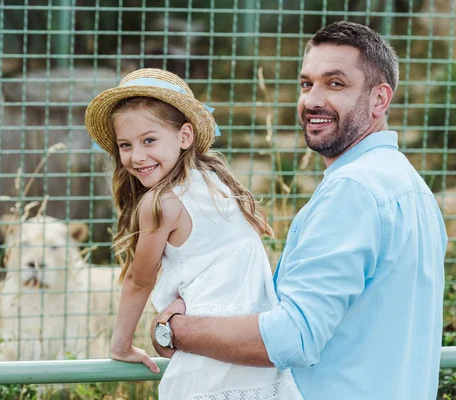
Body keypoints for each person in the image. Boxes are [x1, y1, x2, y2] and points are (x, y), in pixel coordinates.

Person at [151, 20, 448, 400]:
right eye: (307, 83)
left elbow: (294, 337)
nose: (312, 100)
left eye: (335, 83)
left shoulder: (352, 190)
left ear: (380, 99)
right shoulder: (413, 189)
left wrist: (175, 329)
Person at [85, 68, 303, 399]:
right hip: (257, 355)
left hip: (208, 364)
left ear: (185, 136)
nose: (137, 156)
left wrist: (122, 345)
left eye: (149, 140)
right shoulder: (220, 184)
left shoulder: (161, 205)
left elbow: (138, 280)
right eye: (125, 145)